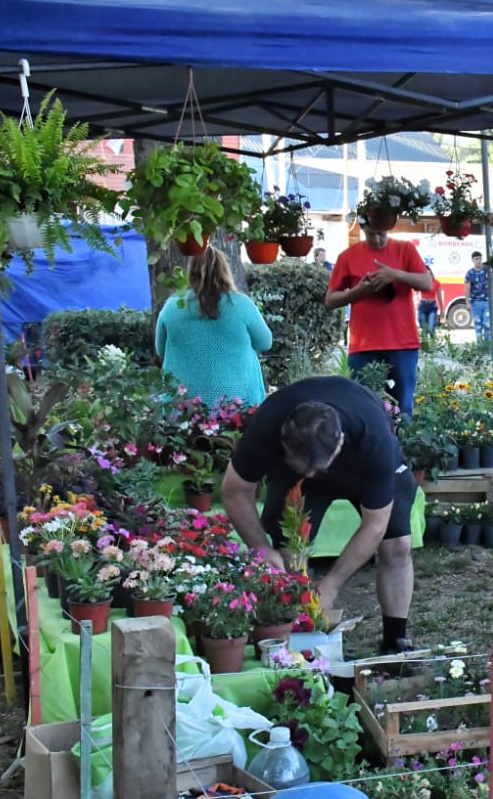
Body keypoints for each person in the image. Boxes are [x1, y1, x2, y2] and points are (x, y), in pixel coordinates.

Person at [221, 376, 418, 652]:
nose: (312, 474)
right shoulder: (268, 423)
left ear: (340, 442)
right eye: (305, 468)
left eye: (318, 468)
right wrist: (261, 547)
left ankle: (395, 642)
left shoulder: (373, 437)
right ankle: (296, 638)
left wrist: (332, 583)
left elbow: (375, 524)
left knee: (397, 546)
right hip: (295, 478)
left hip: (363, 467)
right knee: (290, 552)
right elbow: (235, 490)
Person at [326, 220, 432, 417]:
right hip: (364, 346)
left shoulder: (405, 249)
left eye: (381, 233)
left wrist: (395, 275)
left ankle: (401, 438)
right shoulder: (348, 256)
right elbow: (330, 300)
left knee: (403, 410)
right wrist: (358, 291)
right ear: (362, 229)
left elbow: (427, 283)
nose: (376, 239)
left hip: (402, 343)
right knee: (363, 409)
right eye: (371, 234)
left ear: (389, 228)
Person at [154, 247, 273, 405]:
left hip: (182, 404)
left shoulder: (172, 307)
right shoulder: (241, 305)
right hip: (237, 402)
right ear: (224, 270)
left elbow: (160, 350)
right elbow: (265, 342)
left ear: (191, 271)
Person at [465, 251, 491, 345]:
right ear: (472, 260)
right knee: (478, 325)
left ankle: (487, 344)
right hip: (476, 302)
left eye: (480, 259)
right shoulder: (470, 273)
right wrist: (467, 302)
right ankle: (480, 345)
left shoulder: (487, 270)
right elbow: (467, 288)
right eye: (476, 259)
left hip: (487, 301)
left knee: (487, 324)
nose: (479, 261)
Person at [417, 266, 446, 340]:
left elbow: (439, 297)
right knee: (424, 330)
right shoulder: (421, 281)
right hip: (423, 306)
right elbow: (416, 289)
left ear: (430, 272)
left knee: (431, 329)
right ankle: (425, 345)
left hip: (432, 306)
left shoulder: (436, 282)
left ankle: (433, 344)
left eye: (428, 272)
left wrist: (442, 310)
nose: (427, 273)